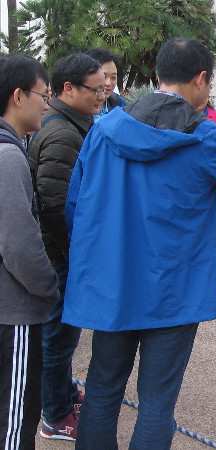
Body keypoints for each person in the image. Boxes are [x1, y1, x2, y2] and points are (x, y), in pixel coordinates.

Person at [61, 37, 216, 449]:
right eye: (209, 85)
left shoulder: (104, 129)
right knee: (157, 403)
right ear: (201, 78)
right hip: (173, 290)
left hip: (113, 283)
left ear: (158, 75)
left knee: (103, 388)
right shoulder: (205, 136)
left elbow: (74, 206)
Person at [28, 52, 106, 441]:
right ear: (67, 89)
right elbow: (55, 205)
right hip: (59, 256)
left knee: (62, 337)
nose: (102, 96)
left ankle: (62, 395)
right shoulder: (62, 133)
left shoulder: (74, 125)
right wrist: (79, 257)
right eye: (96, 89)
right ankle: (54, 416)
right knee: (56, 340)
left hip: (62, 254)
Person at [0, 53, 60, 450]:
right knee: (16, 419)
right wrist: (50, 288)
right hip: (13, 312)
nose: (47, 103)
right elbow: (19, 245)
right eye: (43, 94)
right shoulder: (7, 157)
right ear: (19, 96)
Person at [85, 48, 126, 121]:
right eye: (103, 76)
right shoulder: (78, 107)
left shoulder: (118, 103)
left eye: (113, 77)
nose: (108, 83)